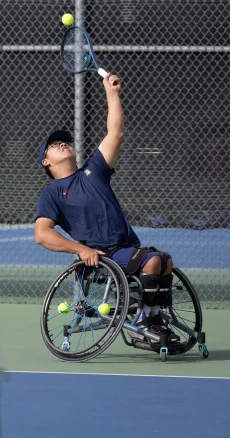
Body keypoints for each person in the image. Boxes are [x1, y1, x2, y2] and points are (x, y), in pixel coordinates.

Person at [35, 73, 178, 342]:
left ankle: (152, 317)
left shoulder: (95, 170)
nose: (63, 144)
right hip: (102, 256)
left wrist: (112, 92)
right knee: (155, 260)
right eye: (55, 145)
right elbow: (42, 234)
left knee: (165, 260)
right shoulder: (52, 193)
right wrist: (81, 249)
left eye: (65, 141)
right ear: (46, 162)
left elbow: (116, 132)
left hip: (127, 247)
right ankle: (148, 322)